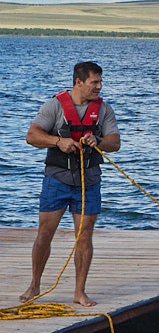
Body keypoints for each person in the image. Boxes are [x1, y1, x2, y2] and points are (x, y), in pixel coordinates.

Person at [21, 61, 121, 308]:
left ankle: (79, 292)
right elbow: (31, 135)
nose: (99, 87)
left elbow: (115, 142)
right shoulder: (54, 106)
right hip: (57, 180)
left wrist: (98, 139)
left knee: (85, 237)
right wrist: (58, 142)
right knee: (45, 234)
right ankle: (34, 285)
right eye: (94, 82)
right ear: (78, 82)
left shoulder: (104, 110)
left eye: (100, 82)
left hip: (89, 182)